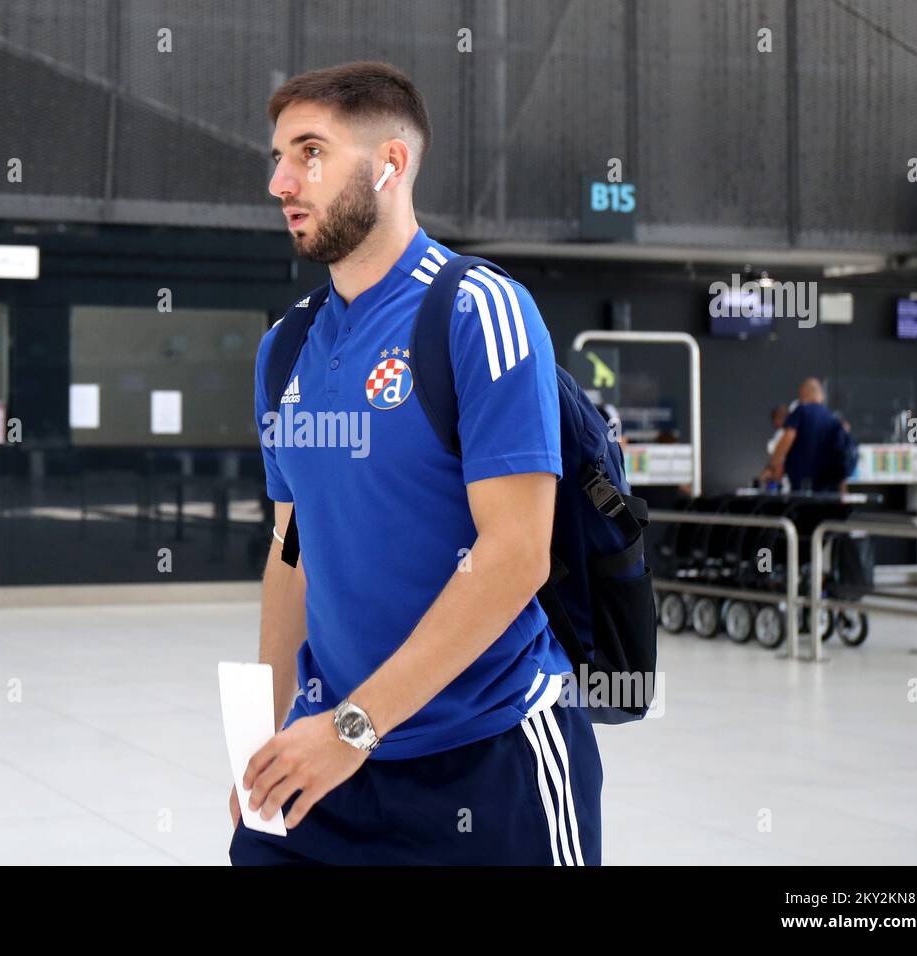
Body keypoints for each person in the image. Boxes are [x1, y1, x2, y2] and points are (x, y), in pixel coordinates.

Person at [228, 61, 601, 866]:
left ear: (390, 164)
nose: (281, 181)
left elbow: (514, 554)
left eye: (310, 152)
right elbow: (292, 554)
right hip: (327, 758)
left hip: (488, 760)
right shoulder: (285, 347)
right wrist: (262, 738)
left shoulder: (478, 311)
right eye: (277, 156)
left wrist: (356, 726)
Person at [759, 378, 846, 492]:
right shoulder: (832, 418)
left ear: (803, 394)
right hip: (828, 489)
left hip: (804, 487)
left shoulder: (801, 412)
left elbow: (787, 439)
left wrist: (771, 467)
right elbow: (841, 456)